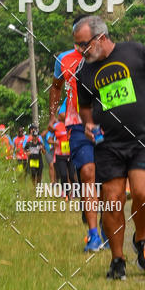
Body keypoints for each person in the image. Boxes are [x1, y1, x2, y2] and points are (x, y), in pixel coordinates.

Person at [75, 15, 145, 281]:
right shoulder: (84, 72)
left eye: (84, 44)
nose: (80, 51)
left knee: (143, 194)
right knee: (112, 200)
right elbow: (85, 107)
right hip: (108, 144)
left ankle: (141, 238)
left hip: (141, 140)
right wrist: (88, 124)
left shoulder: (134, 51)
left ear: (101, 37)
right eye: (77, 45)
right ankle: (118, 260)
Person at [50, 37, 101, 252]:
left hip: (105, 123)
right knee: (87, 173)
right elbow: (56, 87)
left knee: (107, 179)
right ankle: (93, 234)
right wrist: (53, 116)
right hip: (77, 127)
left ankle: (108, 226)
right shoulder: (63, 60)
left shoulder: (105, 54)